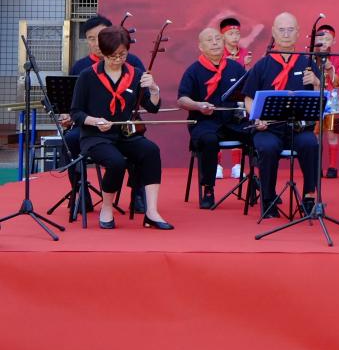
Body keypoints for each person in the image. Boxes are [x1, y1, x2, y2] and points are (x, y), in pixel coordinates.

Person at [68, 26, 171, 230]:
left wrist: (154, 89)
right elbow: (76, 113)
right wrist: (95, 121)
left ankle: (151, 211)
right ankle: (107, 208)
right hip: (96, 136)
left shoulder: (135, 74)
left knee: (151, 151)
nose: (117, 60)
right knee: (116, 162)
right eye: (112, 56)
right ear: (103, 52)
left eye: (122, 55)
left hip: (125, 135)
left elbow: (152, 108)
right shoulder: (88, 76)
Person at [62, 15, 147, 214]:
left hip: (123, 125)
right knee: (69, 140)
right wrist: (68, 115)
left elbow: (143, 98)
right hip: (91, 127)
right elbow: (74, 105)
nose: (96, 43)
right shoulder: (81, 68)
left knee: (142, 145)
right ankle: (81, 191)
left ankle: (137, 192)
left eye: (99, 36)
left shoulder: (131, 62)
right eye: (90, 39)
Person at [242, 12, 322, 219]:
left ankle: (309, 197)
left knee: (310, 144)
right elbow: (248, 99)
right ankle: (268, 198)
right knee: (267, 147)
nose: (286, 34)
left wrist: (316, 83)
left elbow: (319, 101)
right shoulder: (262, 65)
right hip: (268, 128)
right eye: (281, 30)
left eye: (290, 30)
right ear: (274, 33)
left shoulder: (308, 64)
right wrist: (256, 117)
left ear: (298, 33)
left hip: (298, 128)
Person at [176, 27, 249, 208]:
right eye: (210, 40)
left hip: (233, 121)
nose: (215, 42)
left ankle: (259, 185)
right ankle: (208, 188)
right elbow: (182, 100)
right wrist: (198, 106)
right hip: (204, 122)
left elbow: (249, 93)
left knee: (259, 134)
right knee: (209, 140)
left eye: (218, 39)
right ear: (201, 47)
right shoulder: (193, 70)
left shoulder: (235, 68)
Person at [315, 24, 339, 177]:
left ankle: (332, 167)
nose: (324, 42)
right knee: (315, 134)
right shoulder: (309, 58)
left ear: (333, 41)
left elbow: (336, 83)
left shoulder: (337, 60)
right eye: (321, 38)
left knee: (330, 132)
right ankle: (316, 166)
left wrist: (329, 68)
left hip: (330, 100)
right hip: (314, 99)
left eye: (328, 39)